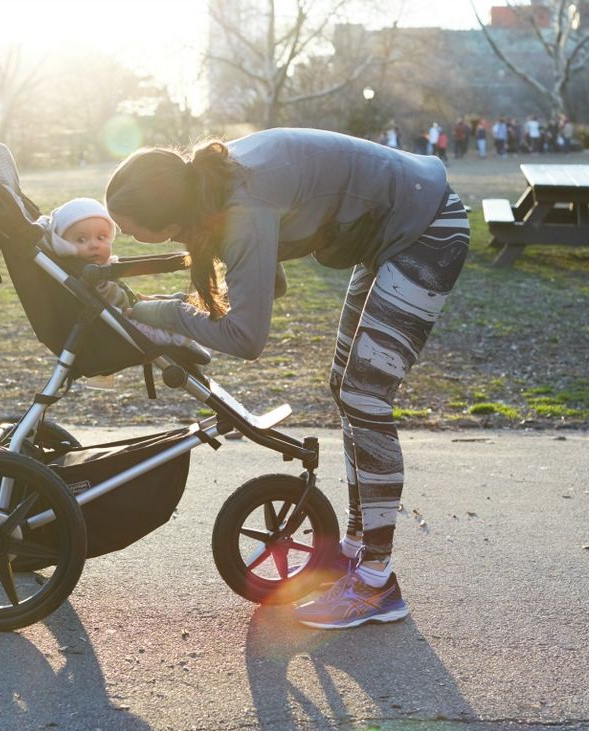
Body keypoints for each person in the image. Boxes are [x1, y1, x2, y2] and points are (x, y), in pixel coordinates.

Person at [104, 129, 469, 629]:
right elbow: (268, 281)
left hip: (427, 227)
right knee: (349, 388)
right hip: (400, 224)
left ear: (170, 216)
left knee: (366, 395)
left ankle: (376, 583)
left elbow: (246, 338)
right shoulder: (215, 181)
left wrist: (157, 312)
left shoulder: (242, 208)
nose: (127, 237)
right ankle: (357, 553)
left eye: (137, 231)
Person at [39, 197, 210, 359]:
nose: (94, 245)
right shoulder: (84, 273)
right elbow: (111, 299)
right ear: (64, 245)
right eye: (81, 240)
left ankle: (182, 318)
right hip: (117, 323)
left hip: (124, 310)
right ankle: (177, 339)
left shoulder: (96, 267)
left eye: (101, 237)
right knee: (149, 328)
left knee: (170, 303)